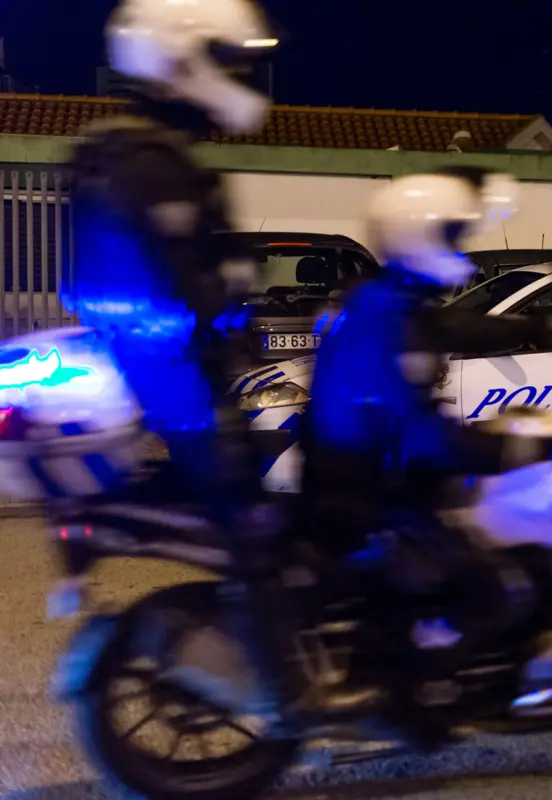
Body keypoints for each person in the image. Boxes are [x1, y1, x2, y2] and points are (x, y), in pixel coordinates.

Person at [67, 0, 371, 730]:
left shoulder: (109, 149)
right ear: (181, 56)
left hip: (166, 378)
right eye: (226, 58)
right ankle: (286, 692)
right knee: (264, 523)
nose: (235, 75)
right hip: (187, 386)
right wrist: (226, 289)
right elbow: (181, 291)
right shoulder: (150, 163)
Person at [299, 166, 552, 721]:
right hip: (369, 495)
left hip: (361, 474)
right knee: (495, 585)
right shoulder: (384, 318)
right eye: (453, 234)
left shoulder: (385, 298)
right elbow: (426, 439)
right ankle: (414, 685)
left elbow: (450, 328)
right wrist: (529, 447)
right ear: (421, 236)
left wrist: (547, 330)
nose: (461, 247)